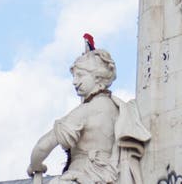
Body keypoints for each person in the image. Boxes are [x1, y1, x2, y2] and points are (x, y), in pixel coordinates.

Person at [27, 48, 150, 184]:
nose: (74, 81)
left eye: (79, 75)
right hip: (110, 178)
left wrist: (35, 165)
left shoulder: (86, 111)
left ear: (97, 77)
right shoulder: (119, 109)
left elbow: (42, 146)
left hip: (84, 175)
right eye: (74, 76)